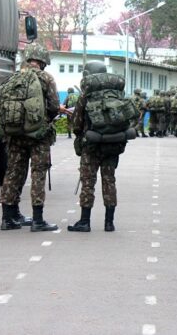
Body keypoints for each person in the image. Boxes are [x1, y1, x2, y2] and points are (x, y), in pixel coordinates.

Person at [68, 61, 138, 232]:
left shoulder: (86, 95)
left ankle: (85, 222)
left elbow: (76, 123)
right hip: (113, 144)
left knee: (88, 183)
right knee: (109, 181)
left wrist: (81, 134)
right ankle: (109, 222)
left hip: (91, 145)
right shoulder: (118, 93)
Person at [0, 43, 59, 232]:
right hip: (38, 136)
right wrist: (44, 121)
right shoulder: (46, 78)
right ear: (43, 62)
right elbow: (54, 106)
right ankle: (37, 220)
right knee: (38, 174)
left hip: (15, 134)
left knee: (13, 173)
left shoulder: (14, 77)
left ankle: (8, 218)